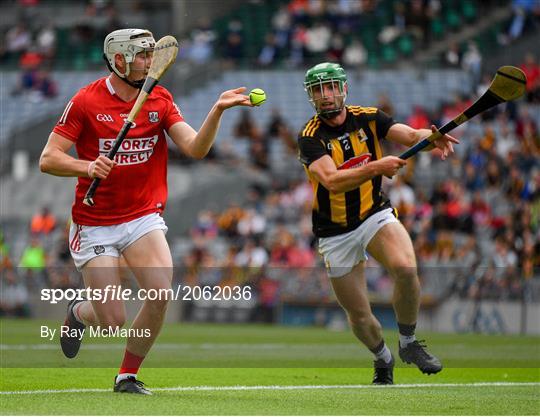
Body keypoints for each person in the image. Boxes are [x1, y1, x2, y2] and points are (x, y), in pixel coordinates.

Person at [39, 28, 253, 395]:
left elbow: (195, 148)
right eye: (141, 55)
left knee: (159, 293)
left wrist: (217, 110)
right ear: (118, 59)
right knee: (111, 323)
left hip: (141, 215)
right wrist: (87, 166)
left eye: (150, 54)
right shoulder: (86, 101)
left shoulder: (160, 98)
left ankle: (126, 376)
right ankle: (80, 311)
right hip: (95, 222)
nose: (149, 62)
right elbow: (48, 159)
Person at [297, 63, 459, 385]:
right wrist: (376, 167)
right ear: (311, 97)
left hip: (374, 213)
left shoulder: (369, 117)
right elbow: (332, 180)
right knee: (360, 316)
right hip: (335, 232)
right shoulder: (310, 136)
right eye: (318, 90)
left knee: (406, 269)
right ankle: (383, 358)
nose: (326, 95)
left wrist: (432, 136)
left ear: (343, 89)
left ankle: (409, 343)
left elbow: (411, 135)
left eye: (331, 87)